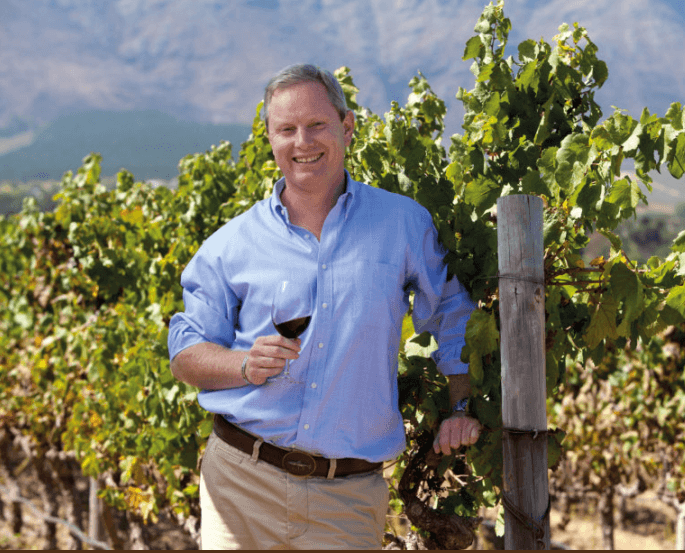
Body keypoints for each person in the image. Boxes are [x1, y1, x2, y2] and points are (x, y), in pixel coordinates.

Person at [167, 63, 481, 550]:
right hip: (240, 485)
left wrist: (460, 407)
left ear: (347, 127)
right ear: (270, 139)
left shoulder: (401, 223)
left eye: (316, 125)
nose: (303, 142)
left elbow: (451, 315)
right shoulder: (232, 243)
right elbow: (186, 353)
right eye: (286, 129)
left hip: (346, 499)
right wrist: (243, 364)